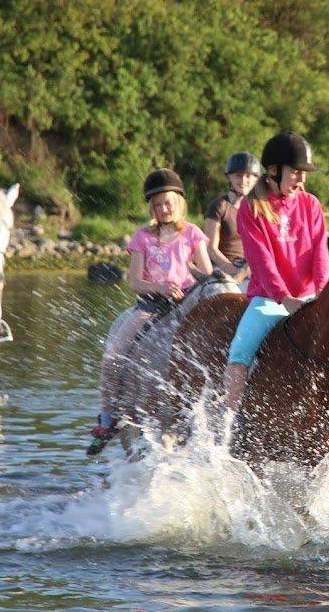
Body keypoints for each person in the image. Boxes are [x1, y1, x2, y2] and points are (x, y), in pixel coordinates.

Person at [88, 168, 212, 454]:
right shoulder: (142, 236)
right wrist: (161, 287)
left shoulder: (192, 233)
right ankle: (107, 418)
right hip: (152, 307)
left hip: (188, 306)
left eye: (167, 203)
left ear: (179, 202)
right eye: (157, 205)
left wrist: (191, 277)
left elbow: (206, 273)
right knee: (113, 355)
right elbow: (134, 281)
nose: (163, 209)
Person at [222, 132, 329, 414]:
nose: (301, 180)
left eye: (303, 174)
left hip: (311, 296)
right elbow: (262, 262)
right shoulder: (251, 208)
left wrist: (324, 294)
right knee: (240, 352)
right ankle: (232, 424)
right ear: (273, 171)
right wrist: (285, 298)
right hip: (269, 299)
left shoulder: (311, 205)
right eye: (295, 172)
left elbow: (320, 254)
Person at [204, 152, 261, 276]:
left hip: (250, 269)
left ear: (256, 179)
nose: (243, 180)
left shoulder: (260, 208)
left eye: (248, 176)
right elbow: (210, 248)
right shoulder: (219, 206)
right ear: (229, 177)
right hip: (222, 270)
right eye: (238, 176)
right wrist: (235, 272)